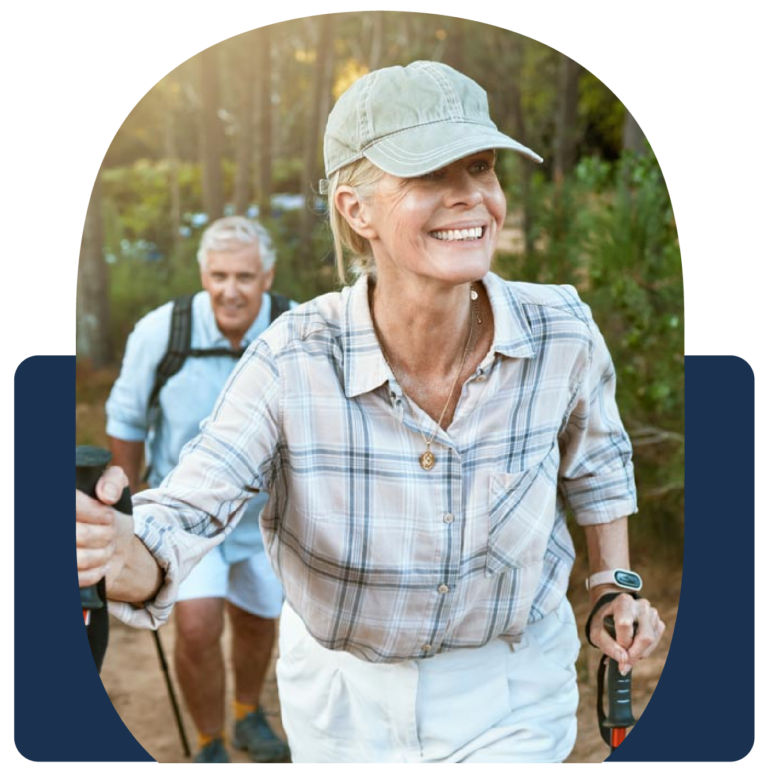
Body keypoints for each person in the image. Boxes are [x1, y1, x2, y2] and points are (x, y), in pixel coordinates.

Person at [77, 61, 666, 764]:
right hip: (340, 697)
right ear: (357, 209)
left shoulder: (561, 330)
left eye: (480, 166)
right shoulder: (291, 357)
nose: (470, 197)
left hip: (510, 684)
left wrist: (612, 585)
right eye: (430, 175)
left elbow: (597, 465)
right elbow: (189, 507)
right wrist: (120, 551)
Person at [104, 216, 293, 764]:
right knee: (197, 622)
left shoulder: (293, 326)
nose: (230, 290)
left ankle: (246, 713)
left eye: (244, 276)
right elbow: (127, 418)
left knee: (259, 620)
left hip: (267, 516)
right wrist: (125, 516)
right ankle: (210, 740)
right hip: (186, 513)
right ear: (202, 274)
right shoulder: (163, 332)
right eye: (218, 276)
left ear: (267, 275)